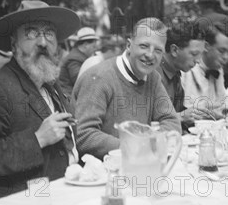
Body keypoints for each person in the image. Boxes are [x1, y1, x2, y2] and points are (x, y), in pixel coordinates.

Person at [0, 0, 80, 205]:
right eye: (31, 33)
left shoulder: (49, 83)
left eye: (49, 33)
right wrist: (37, 139)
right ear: (13, 44)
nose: (43, 42)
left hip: (65, 197)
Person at [72, 18, 182, 159]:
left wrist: (147, 143)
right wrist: (136, 146)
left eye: (158, 50)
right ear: (129, 45)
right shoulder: (99, 77)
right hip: (101, 172)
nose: (150, 55)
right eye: (144, 46)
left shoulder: (152, 77)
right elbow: (83, 136)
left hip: (139, 165)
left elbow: (171, 122)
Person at [182, 26, 228, 120]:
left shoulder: (217, 68)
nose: (226, 57)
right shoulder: (187, 69)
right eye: (222, 51)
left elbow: (221, 103)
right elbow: (189, 110)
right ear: (206, 47)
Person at [157, 21, 204, 120]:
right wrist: (182, 116)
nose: (198, 61)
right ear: (174, 50)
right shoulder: (154, 75)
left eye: (200, 54)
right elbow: (147, 123)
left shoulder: (176, 73)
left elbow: (177, 111)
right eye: (194, 54)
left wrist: (193, 114)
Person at [58, 27, 100, 97]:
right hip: (69, 97)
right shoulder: (74, 59)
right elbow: (81, 82)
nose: (95, 49)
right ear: (86, 44)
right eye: (93, 46)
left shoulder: (79, 56)